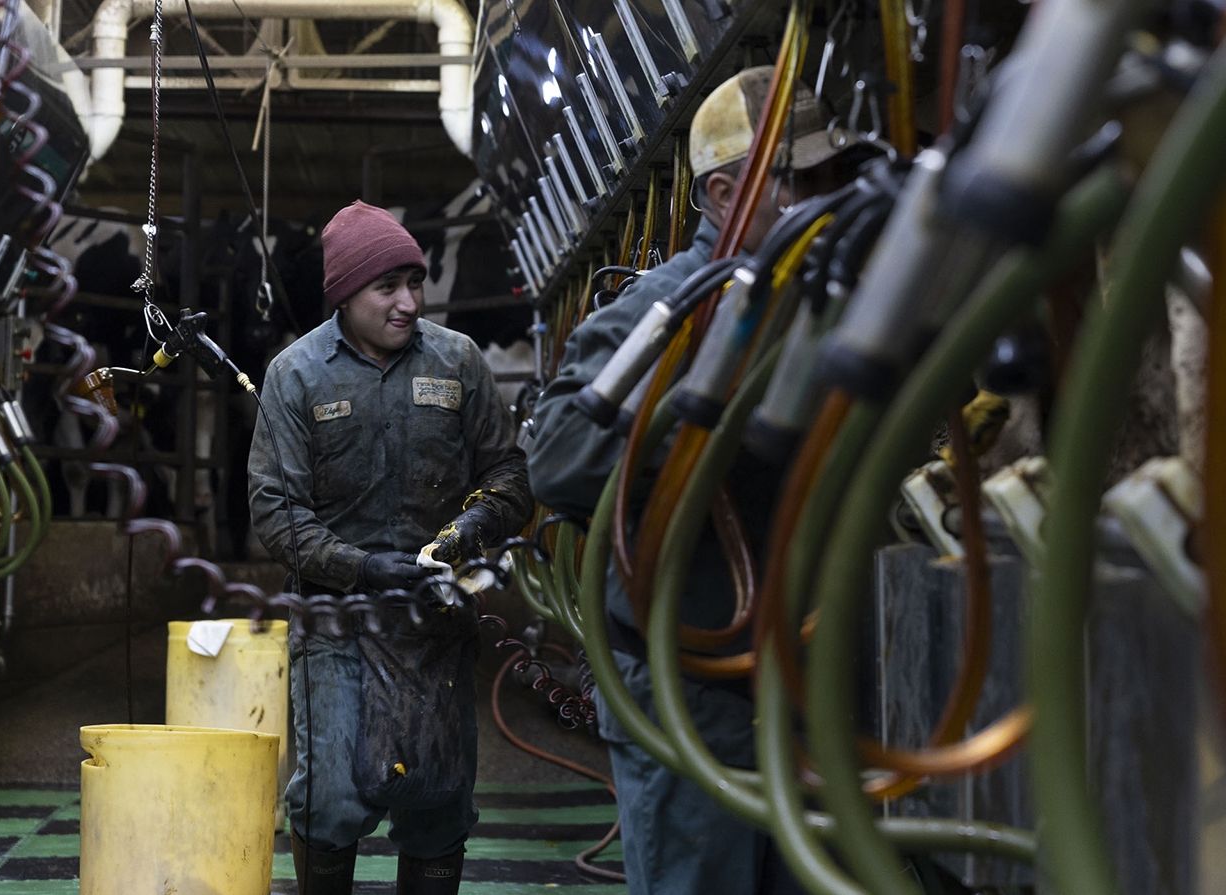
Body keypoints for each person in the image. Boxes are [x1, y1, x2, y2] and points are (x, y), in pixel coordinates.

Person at [526, 67, 861, 895]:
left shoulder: (834, 306)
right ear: (722, 194)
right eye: (801, 180)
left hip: (805, 675)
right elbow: (560, 459)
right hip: (688, 680)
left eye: (832, 178)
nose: (827, 199)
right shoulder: (669, 311)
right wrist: (702, 431)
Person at [248, 201, 531, 895]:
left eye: (416, 281)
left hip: (434, 618)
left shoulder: (457, 360)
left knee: (438, 798)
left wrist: (465, 533)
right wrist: (362, 567)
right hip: (337, 619)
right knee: (333, 796)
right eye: (388, 286)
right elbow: (275, 511)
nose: (408, 302)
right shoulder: (297, 374)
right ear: (345, 292)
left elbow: (508, 476)